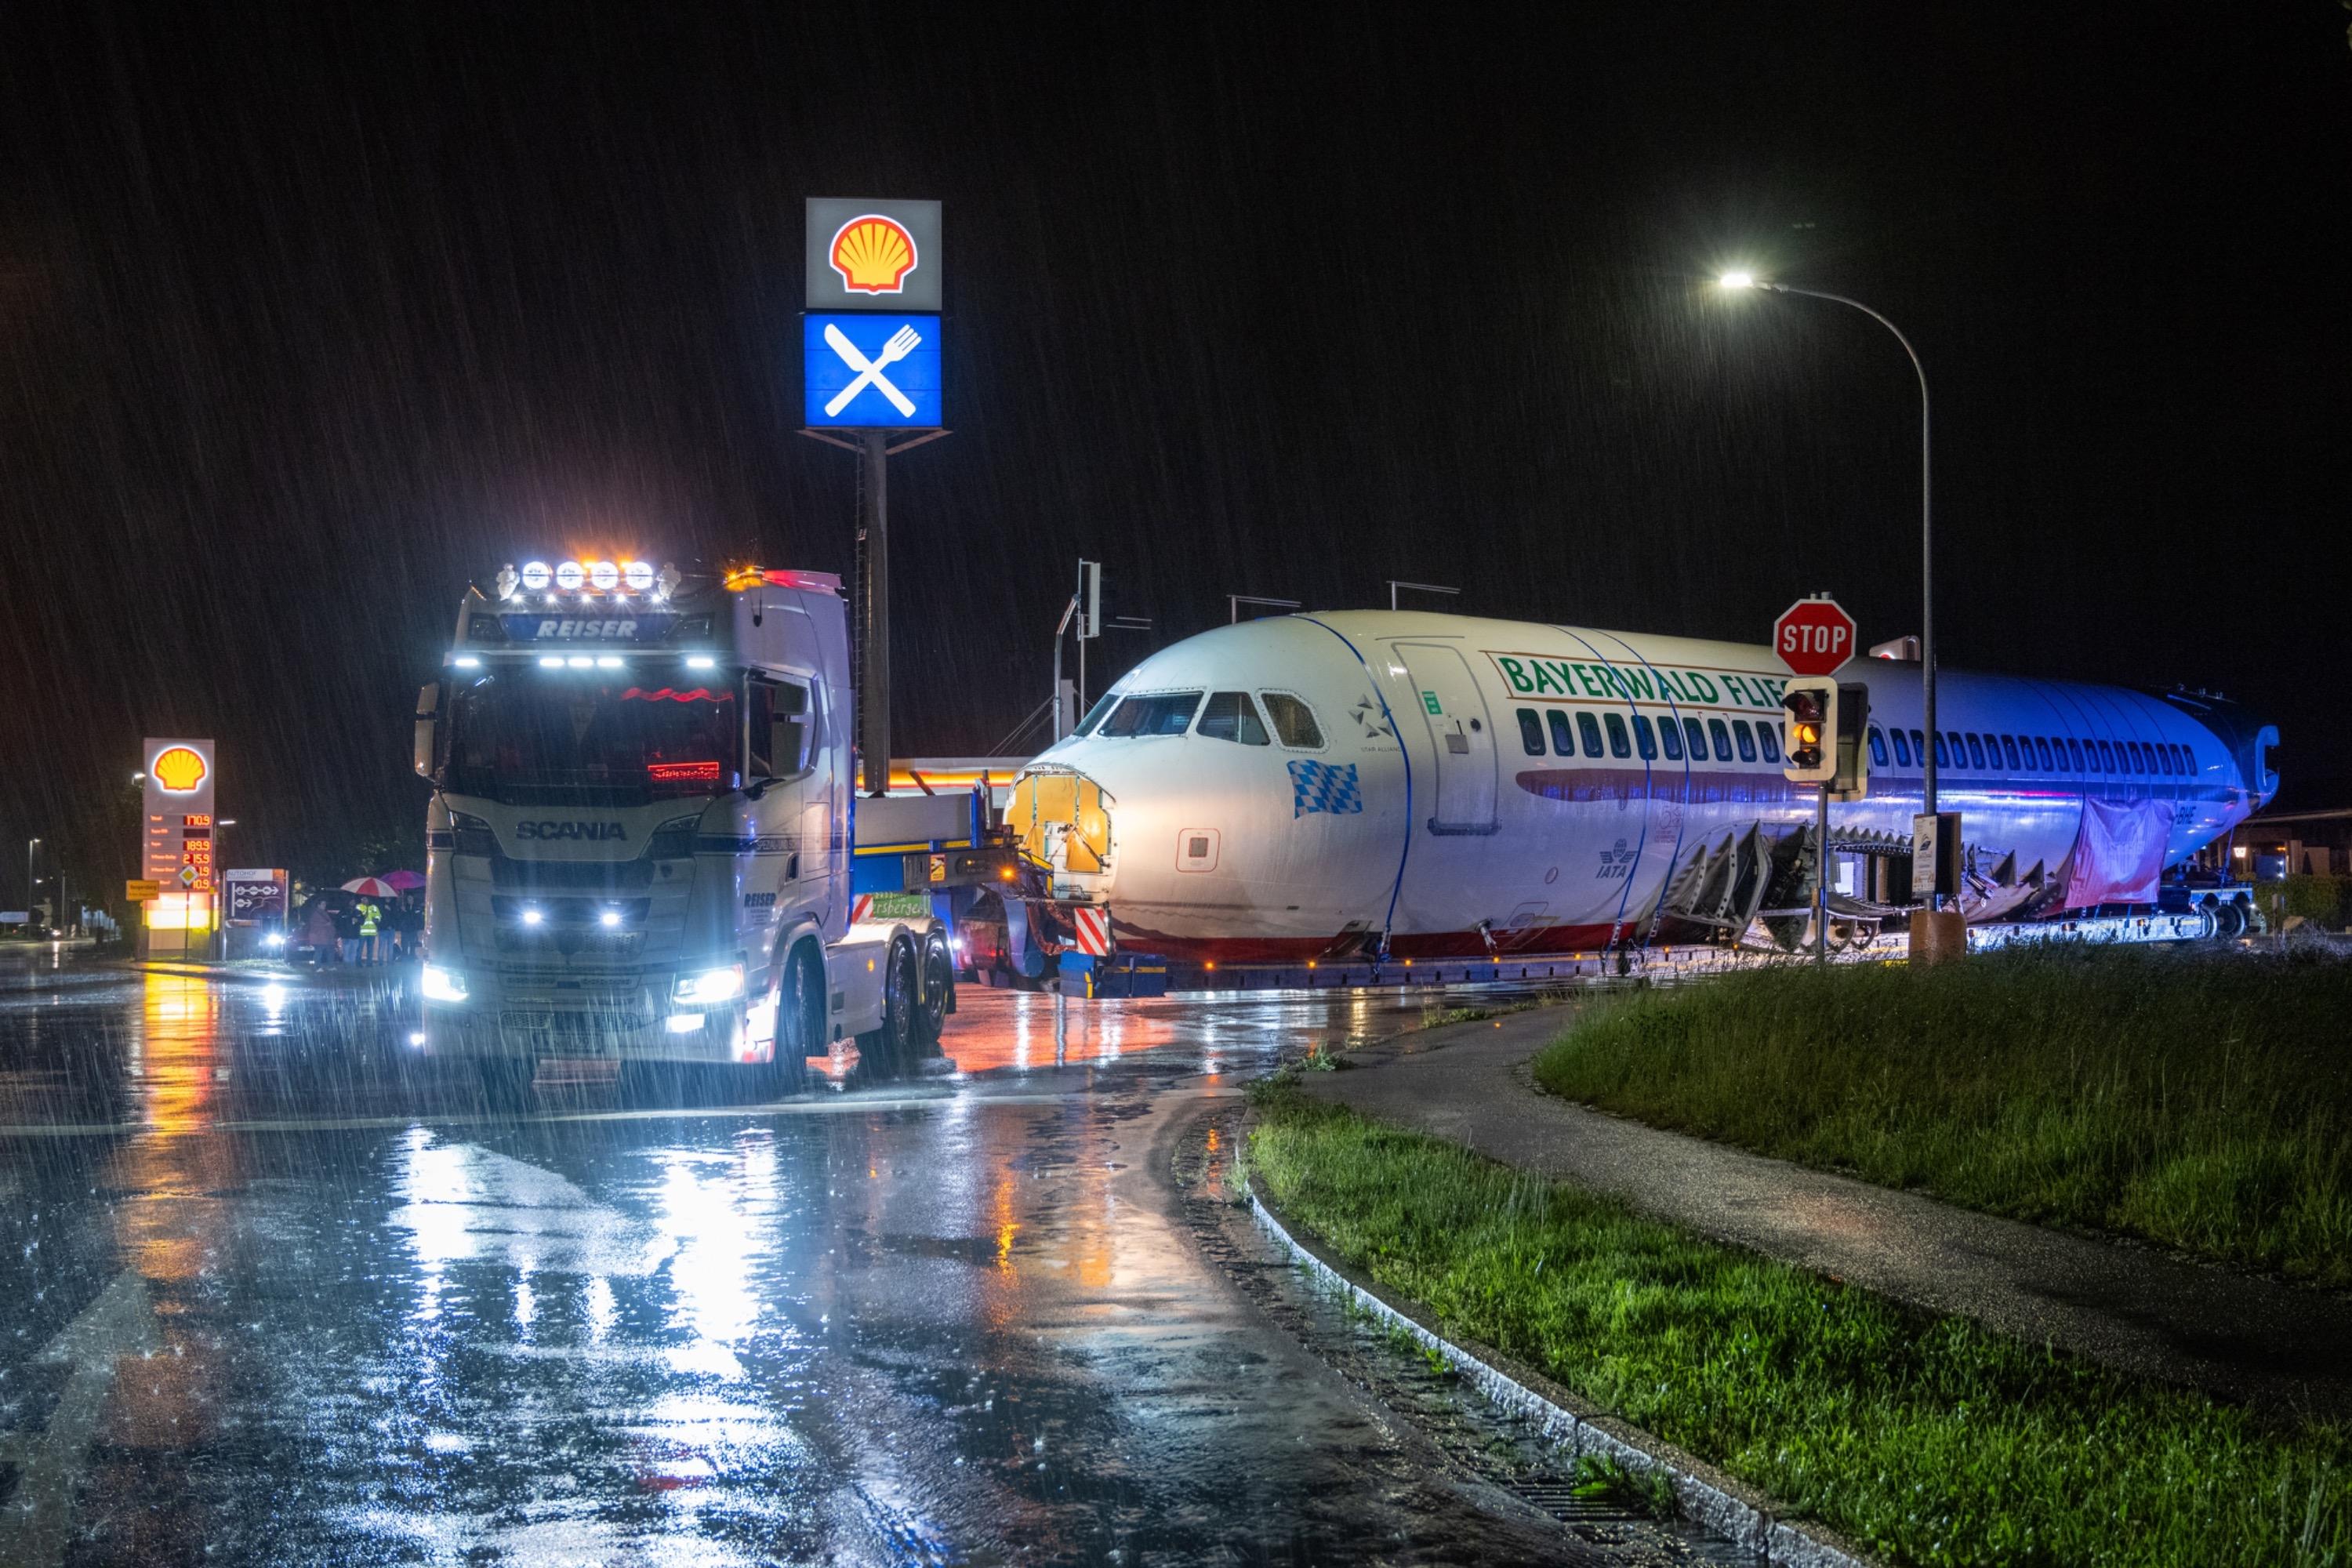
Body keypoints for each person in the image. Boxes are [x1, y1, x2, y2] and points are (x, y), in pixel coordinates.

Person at [303, 897, 339, 967]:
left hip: (326, 936)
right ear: (318, 905)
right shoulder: (315, 914)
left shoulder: (324, 913)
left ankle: (330, 966)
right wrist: (325, 925)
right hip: (319, 936)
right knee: (319, 951)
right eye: (323, 904)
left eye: (325, 904)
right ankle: (318, 966)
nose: (324, 905)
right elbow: (314, 924)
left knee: (330, 951)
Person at [358, 900, 381, 964]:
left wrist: (376, 920)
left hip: (372, 932)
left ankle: (369, 963)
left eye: (366, 899)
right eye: (363, 898)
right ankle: (358, 963)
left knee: (370, 949)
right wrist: (363, 915)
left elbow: (379, 917)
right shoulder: (359, 907)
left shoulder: (374, 907)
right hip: (362, 932)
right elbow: (357, 917)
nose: (364, 900)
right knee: (360, 948)